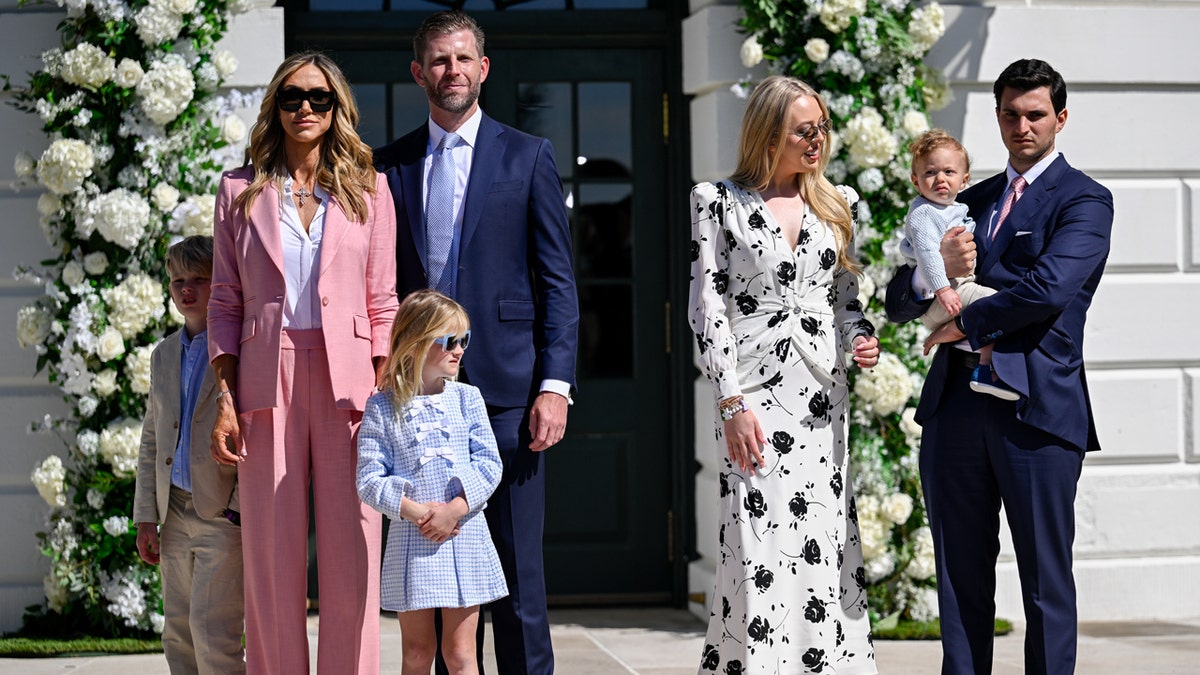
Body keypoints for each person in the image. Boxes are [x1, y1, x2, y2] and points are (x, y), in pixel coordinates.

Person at [885, 59, 1114, 675]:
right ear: (997, 117)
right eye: (1010, 113)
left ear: (1060, 118)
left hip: (1038, 412)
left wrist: (964, 320)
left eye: (1035, 113)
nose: (1022, 125)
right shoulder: (966, 198)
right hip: (956, 407)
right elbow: (899, 300)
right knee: (959, 583)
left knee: (1045, 583)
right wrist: (929, 267)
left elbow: (1045, 290)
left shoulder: (1086, 200)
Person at [374, 10, 579, 675]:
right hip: (417, 404)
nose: (451, 70)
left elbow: (558, 285)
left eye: (463, 58)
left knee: (518, 576)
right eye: (438, 60)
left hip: (509, 399)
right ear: (418, 73)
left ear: (483, 68)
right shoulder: (388, 167)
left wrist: (554, 386)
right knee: (432, 583)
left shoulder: (529, 156)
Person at [207, 51, 399, 675]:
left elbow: (383, 300)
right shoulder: (239, 190)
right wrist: (226, 401)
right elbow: (225, 300)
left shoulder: (370, 186)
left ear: (337, 107)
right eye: (293, 98)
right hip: (266, 379)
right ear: (276, 107)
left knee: (353, 550)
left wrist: (382, 389)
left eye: (319, 98)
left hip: (352, 384)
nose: (306, 109)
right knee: (270, 552)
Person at [688, 75, 881, 675]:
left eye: (822, 127)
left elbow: (847, 298)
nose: (818, 140)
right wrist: (730, 403)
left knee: (821, 545)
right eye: (804, 130)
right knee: (756, 545)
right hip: (753, 397)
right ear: (769, 134)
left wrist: (860, 337)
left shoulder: (839, 201)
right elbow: (707, 307)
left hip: (823, 401)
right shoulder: (716, 201)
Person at [357, 289, 509, 675]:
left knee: (460, 655)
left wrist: (455, 510)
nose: (459, 350)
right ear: (416, 342)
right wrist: (418, 513)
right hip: (413, 540)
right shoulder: (381, 406)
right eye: (449, 341)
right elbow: (369, 479)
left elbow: (489, 464)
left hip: (464, 534)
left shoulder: (468, 399)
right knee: (417, 653)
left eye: (465, 340)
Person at [133, 235, 244, 675]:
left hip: (220, 512)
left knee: (211, 631)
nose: (186, 289)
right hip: (173, 510)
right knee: (177, 632)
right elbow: (151, 440)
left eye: (199, 279)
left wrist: (236, 511)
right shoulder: (163, 355)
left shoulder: (237, 353)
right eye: (178, 280)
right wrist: (147, 514)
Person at [900, 129, 1015, 400]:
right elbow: (928, 253)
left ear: (964, 180)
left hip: (957, 289)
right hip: (942, 296)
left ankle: (989, 368)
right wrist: (942, 289)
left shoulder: (954, 208)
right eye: (930, 173)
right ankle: (988, 371)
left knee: (993, 308)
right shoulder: (924, 213)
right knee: (997, 304)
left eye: (949, 172)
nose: (940, 178)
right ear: (916, 181)